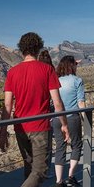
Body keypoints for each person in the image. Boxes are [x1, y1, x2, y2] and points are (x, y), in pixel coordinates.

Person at [0, 32, 69, 187]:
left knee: (30, 168)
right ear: (38, 48)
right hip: (39, 126)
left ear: (21, 49)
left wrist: (3, 131)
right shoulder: (46, 69)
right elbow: (57, 103)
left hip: (20, 127)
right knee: (41, 170)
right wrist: (64, 124)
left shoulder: (12, 72)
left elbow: (7, 106)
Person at [53, 55, 85, 187]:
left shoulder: (56, 80)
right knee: (76, 145)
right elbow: (81, 102)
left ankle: (59, 181)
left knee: (60, 147)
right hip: (72, 117)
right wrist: (85, 118)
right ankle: (71, 176)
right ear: (73, 66)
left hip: (56, 118)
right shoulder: (77, 81)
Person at [39, 49, 55, 178]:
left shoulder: (38, 70)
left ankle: (34, 170)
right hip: (48, 111)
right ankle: (46, 170)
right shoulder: (50, 71)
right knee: (47, 144)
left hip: (34, 112)